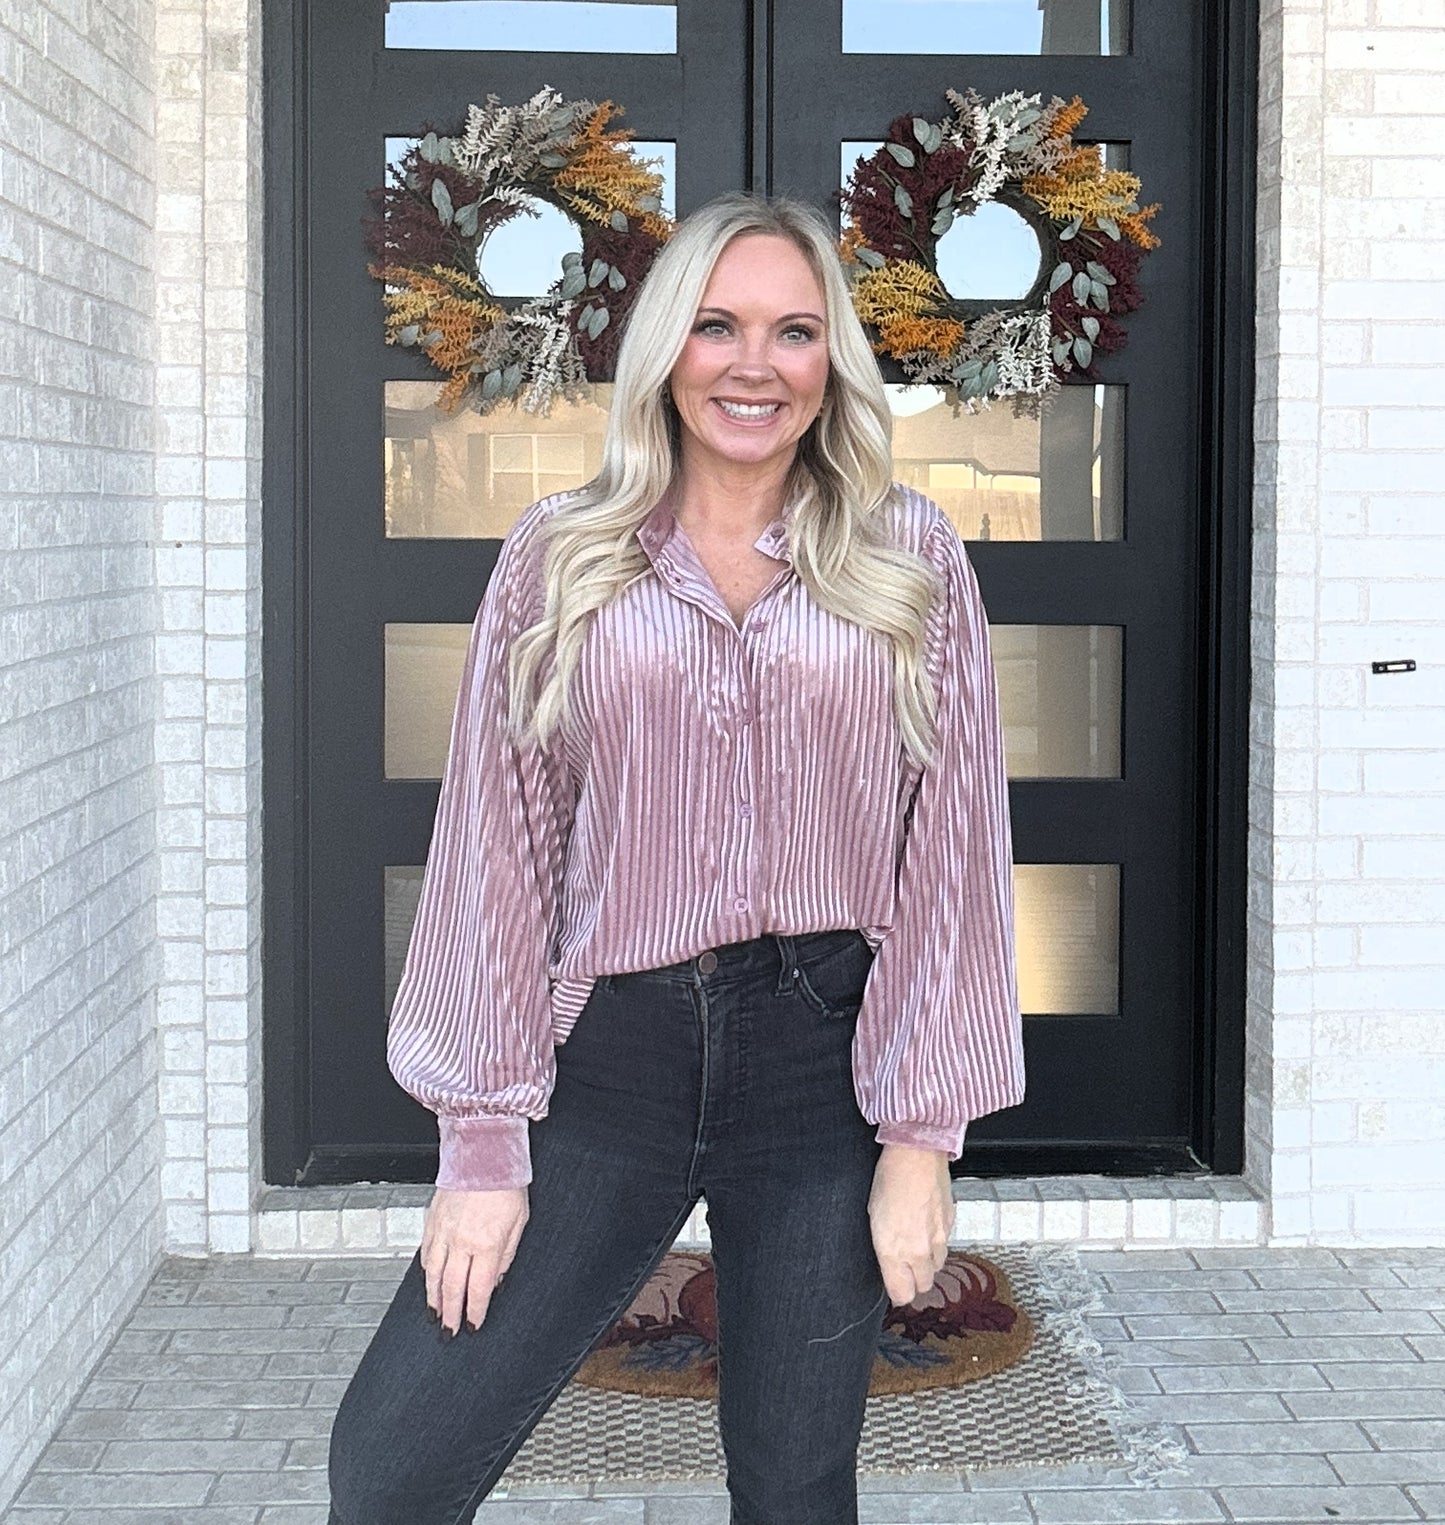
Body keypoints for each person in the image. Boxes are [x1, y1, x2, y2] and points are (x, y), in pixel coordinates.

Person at [327, 189, 1025, 1525]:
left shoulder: (908, 555)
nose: (751, 363)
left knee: (793, 1481)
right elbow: (497, 844)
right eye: (715, 325)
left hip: (821, 1055)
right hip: (614, 1052)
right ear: (664, 348)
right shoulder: (562, 556)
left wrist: (919, 1137)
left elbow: (949, 852)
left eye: (792, 331)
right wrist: (480, 1143)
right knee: (394, 1460)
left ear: (831, 362)